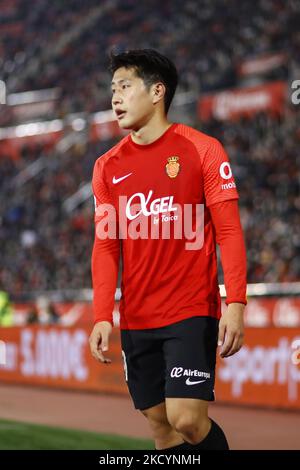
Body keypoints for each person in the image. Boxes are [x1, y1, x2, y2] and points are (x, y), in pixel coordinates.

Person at [89, 49, 247, 451]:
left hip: (190, 310)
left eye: (125, 87)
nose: (115, 98)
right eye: (112, 89)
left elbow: (228, 231)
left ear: (157, 91)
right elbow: (106, 246)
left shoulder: (203, 150)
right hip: (138, 316)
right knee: (162, 429)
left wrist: (236, 303)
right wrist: (102, 315)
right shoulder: (106, 167)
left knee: (187, 420)